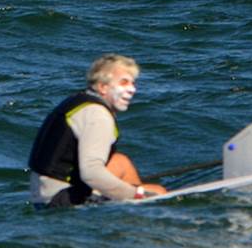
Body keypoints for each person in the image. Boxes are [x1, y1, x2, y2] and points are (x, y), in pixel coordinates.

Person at [27, 54, 166, 207]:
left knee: (121, 162)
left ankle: (134, 207)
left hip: (42, 193)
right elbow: (91, 173)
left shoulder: (79, 101)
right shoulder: (98, 115)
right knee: (158, 191)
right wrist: (137, 194)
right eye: (124, 82)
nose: (132, 89)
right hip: (60, 200)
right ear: (103, 87)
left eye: (133, 83)